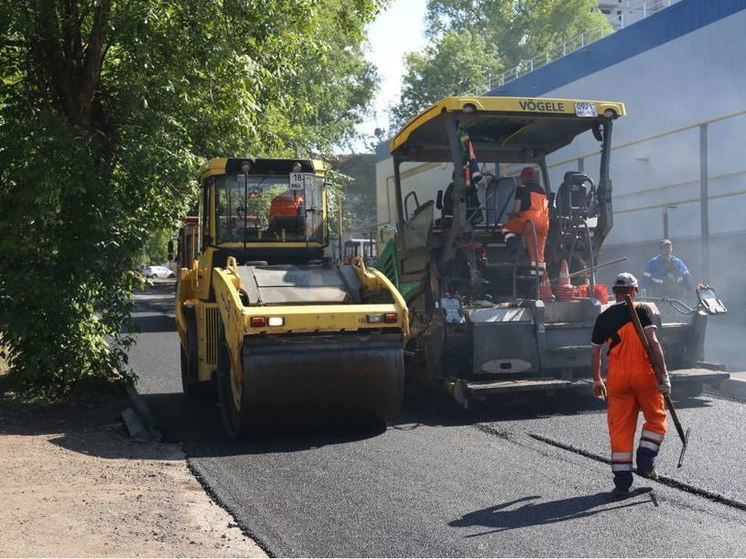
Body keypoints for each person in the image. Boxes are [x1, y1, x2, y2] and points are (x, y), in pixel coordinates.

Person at [590, 272, 671, 498]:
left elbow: (595, 351)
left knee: (620, 430)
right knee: (656, 418)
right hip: (644, 375)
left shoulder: (603, 317)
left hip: (617, 379)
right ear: (634, 291)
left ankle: (622, 482)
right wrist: (663, 376)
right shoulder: (642, 311)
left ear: (615, 292)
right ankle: (645, 459)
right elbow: (653, 345)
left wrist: (597, 379)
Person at [502, 166, 549, 274]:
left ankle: (514, 251)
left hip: (529, 222)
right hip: (544, 224)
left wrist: (511, 216)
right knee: (538, 257)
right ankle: (538, 281)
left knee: (505, 227)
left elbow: (517, 209)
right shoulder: (542, 190)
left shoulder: (521, 187)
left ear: (523, 177)